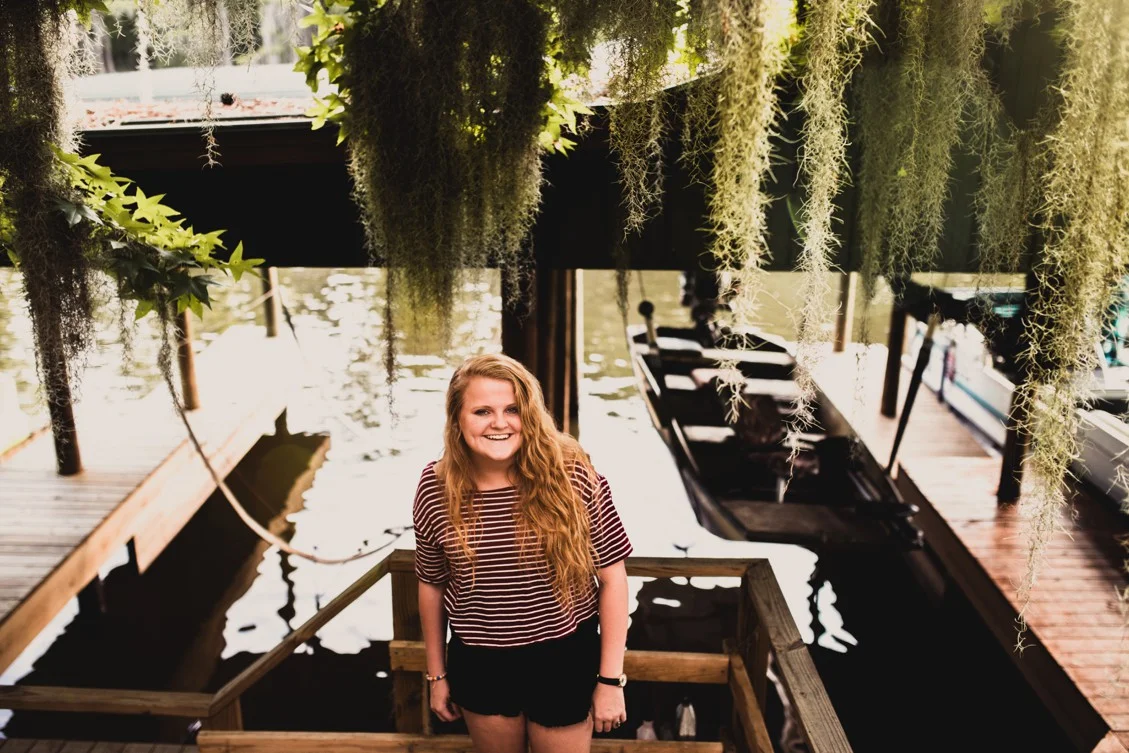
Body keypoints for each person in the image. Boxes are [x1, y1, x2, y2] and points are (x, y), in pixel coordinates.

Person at [413, 353, 633, 753]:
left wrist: (609, 680)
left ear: (530, 415)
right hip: (479, 660)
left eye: (512, 409)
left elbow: (613, 577)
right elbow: (432, 584)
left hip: (563, 656)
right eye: (482, 411)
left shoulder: (571, 473)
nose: (499, 423)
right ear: (457, 418)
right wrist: (436, 675)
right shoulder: (435, 486)